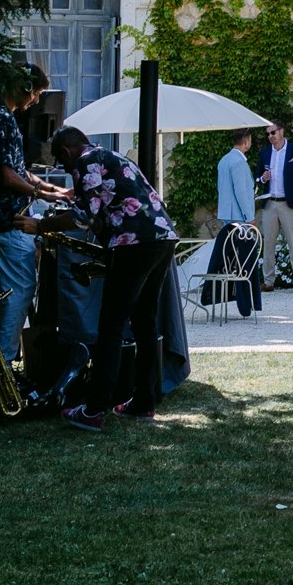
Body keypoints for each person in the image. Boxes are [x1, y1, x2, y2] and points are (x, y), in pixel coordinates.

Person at [51, 126, 176, 427]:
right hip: (163, 237)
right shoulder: (110, 155)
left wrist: (40, 226)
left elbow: (82, 217)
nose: (67, 171)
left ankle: (94, 409)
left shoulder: (85, 161)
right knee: (144, 321)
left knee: (110, 324)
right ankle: (145, 401)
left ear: (66, 152)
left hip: (134, 243)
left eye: (62, 163)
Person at [0, 67, 65, 409]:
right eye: (36, 92)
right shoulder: (0, 120)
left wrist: (52, 191)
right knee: (20, 289)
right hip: (10, 221)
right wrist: (39, 195)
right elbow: (8, 176)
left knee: (1, 294)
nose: (37, 100)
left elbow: (19, 170)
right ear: (23, 87)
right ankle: (4, 369)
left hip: (3, 219)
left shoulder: (1, 119)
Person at [256, 118, 293, 293]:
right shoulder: (265, 153)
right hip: (270, 203)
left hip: (289, 204)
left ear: (281, 131)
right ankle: (268, 281)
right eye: (268, 134)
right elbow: (257, 177)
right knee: (268, 243)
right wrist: (262, 178)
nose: (270, 136)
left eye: (273, 132)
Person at [214, 124, 263, 317]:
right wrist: (250, 217)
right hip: (240, 219)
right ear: (246, 141)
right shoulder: (239, 163)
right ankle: (246, 304)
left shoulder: (224, 160)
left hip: (227, 215)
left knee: (233, 262)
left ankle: (242, 302)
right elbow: (242, 192)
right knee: (245, 264)